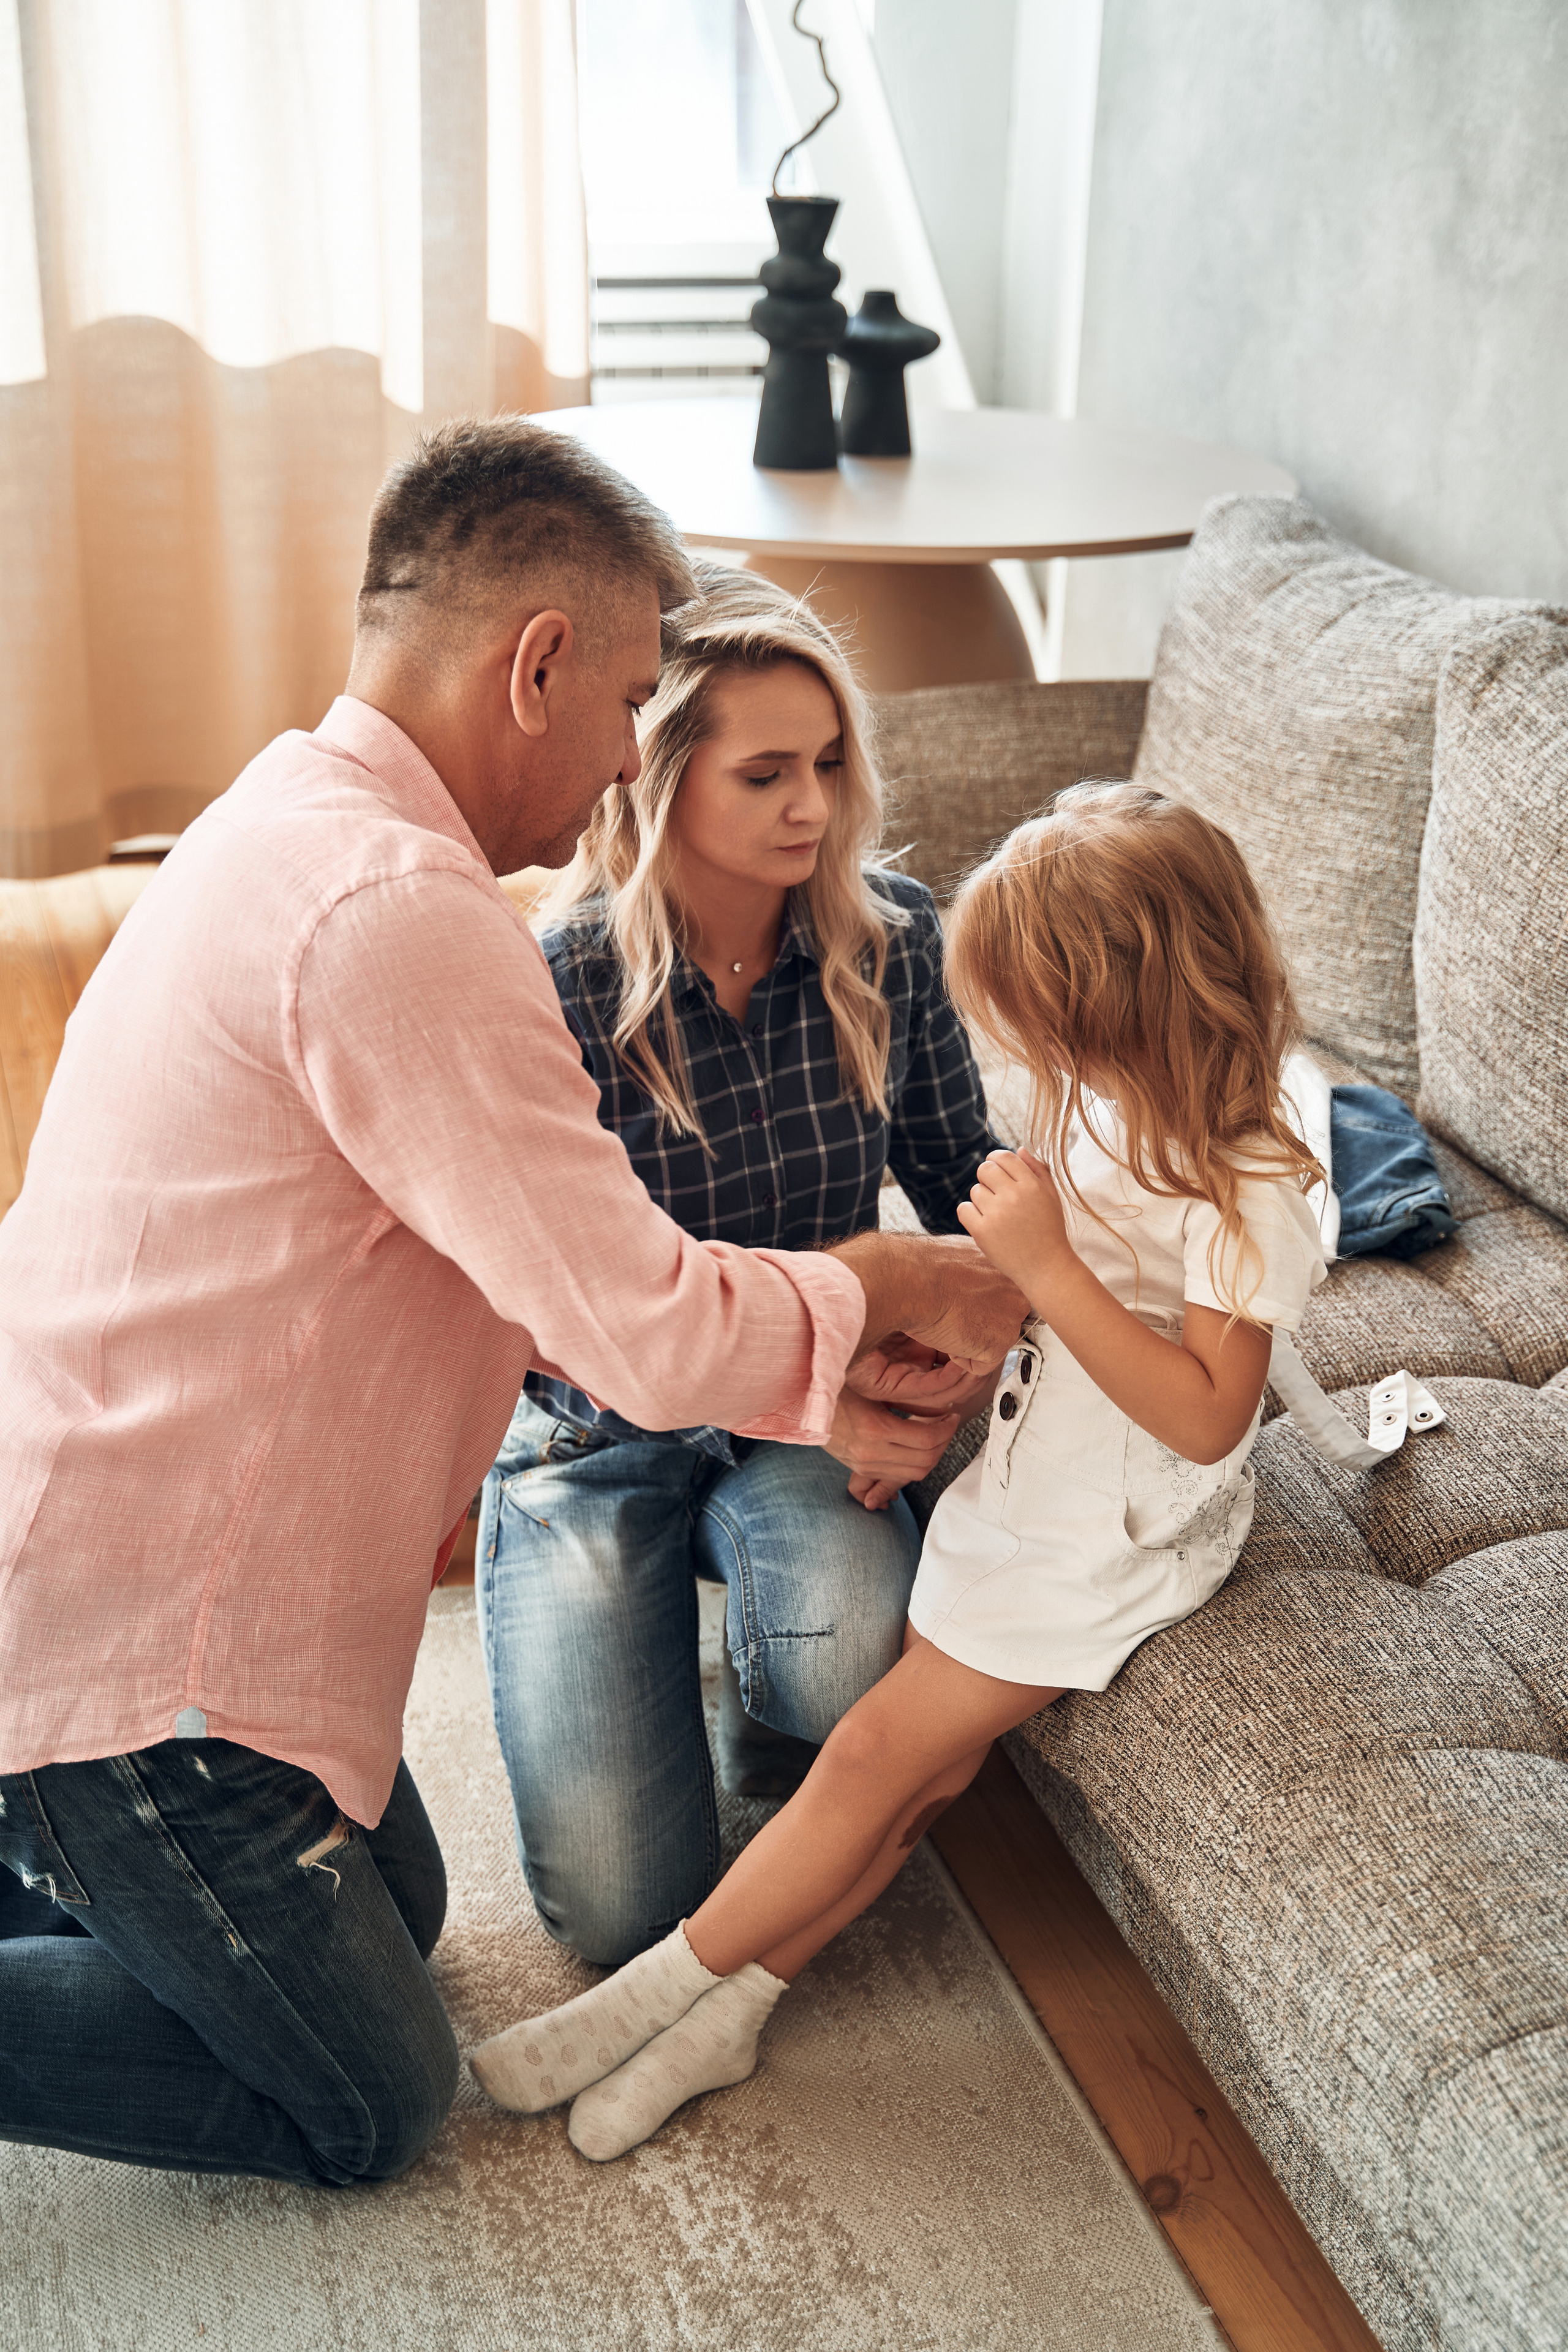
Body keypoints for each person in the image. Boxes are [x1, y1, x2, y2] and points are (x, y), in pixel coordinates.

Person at [0, 417, 1025, 2187]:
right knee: (369, 2105)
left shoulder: (284, 816)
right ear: (536, 666)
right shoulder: (403, 913)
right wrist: (876, 1285)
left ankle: (54, 1834)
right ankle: (58, 1808)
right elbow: (634, 1322)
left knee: (391, 1931)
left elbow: (516, 1273)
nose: (636, 752)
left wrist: (822, 1386)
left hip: (155, 1586)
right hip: (138, 1657)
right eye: (635, 699)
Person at [472, 782, 1329, 2158]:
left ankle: (656, 1989)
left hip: (1113, 1526)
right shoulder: (1099, 1097)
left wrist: (1044, 1267)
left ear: (1122, 999)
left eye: (1043, 1023)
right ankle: (732, 2011)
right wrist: (967, 1358)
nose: (1029, 1055)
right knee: (918, 1781)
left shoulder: (1246, 1178)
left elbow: (1207, 1417)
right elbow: (1058, 1301)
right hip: (1038, 1464)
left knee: (872, 1750)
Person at [472, 565, 1001, 1970]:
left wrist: (1041, 1294)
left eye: (829, 764)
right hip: (593, 1425)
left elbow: (965, 1181)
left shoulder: (887, 937)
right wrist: (786, 1392)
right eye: (766, 772)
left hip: (805, 1404)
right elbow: (529, 1311)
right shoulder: (560, 977)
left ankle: (768, 1709)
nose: (813, 806)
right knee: (617, 1917)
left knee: (834, 1664)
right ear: (656, 783)